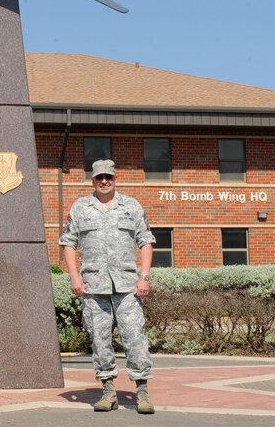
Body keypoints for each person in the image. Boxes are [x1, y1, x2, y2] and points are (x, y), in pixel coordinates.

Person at [59, 159, 156, 414]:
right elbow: (68, 243)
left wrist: (143, 277)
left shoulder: (131, 206)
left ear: (115, 179)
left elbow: (145, 241)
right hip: (93, 287)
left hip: (127, 288)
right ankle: (108, 391)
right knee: (100, 340)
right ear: (93, 180)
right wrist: (74, 278)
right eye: (100, 177)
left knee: (135, 338)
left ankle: (142, 391)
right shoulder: (80, 208)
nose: (104, 181)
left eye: (108, 177)